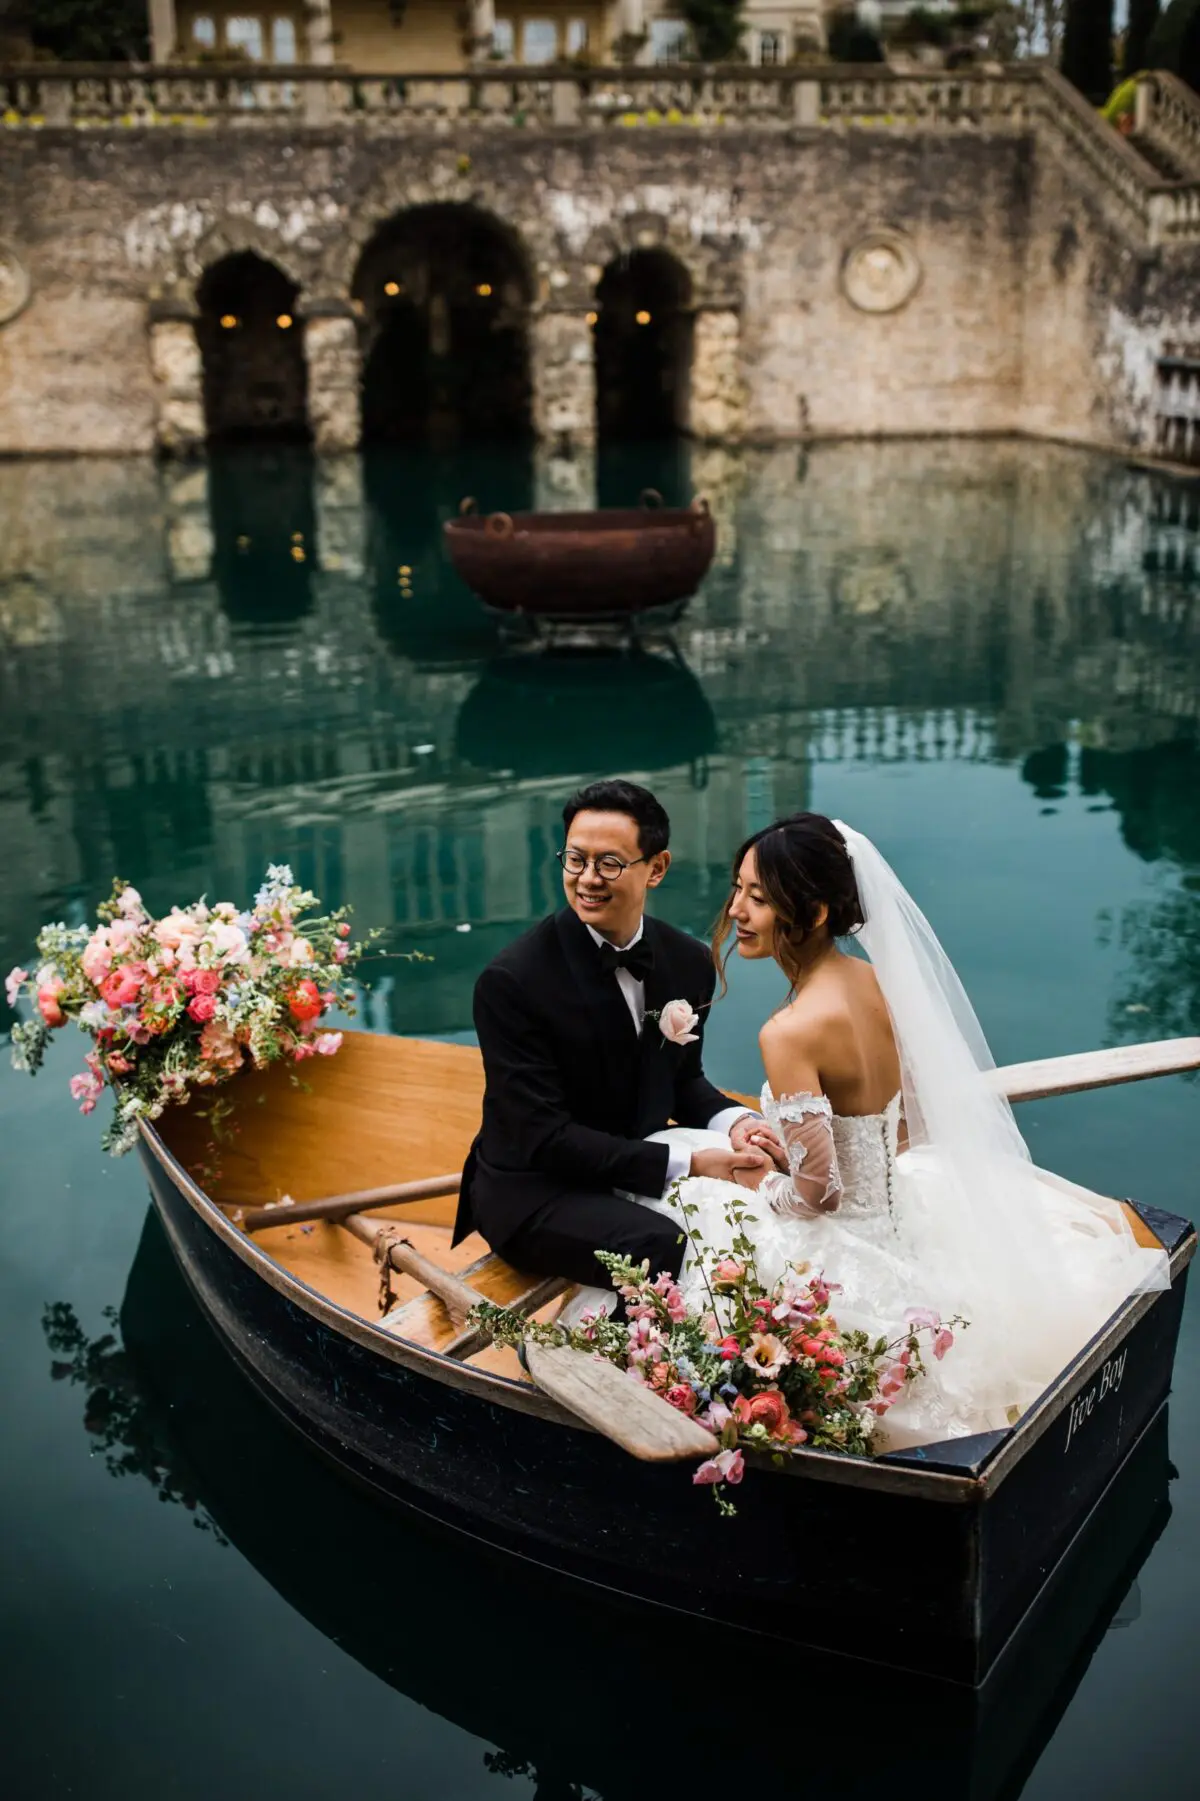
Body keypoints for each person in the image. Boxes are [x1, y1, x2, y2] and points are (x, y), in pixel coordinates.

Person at [636, 813, 1169, 1448]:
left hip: (837, 1237)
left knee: (684, 1196)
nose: (738, 911)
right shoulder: (876, 982)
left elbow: (820, 1195)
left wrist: (765, 1186)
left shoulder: (789, 1030)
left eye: (760, 897)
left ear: (812, 914)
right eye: (739, 889)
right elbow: (910, 1119)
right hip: (892, 1214)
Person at [452, 779, 783, 1300]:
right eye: (575, 859)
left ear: (657, 868)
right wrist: (691, 1164)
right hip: (536, 1188)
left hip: (631, 1162)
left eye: (609, 863)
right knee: (671, 1246)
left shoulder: (688, 960)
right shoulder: (512, 981)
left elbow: (683, 1081)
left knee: (768, 1211)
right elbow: (543, 1137)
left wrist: (741, 1123)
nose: (587, 879)